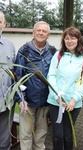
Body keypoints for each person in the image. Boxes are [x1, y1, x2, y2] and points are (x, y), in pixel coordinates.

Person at [47, 27, 83, 150]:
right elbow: (51, 76)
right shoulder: (58, 55)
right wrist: (56, 96)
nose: (69, 41)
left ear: (78, 40)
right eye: (67, 38)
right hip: (56, 102)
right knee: (57, 135)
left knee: (68, 134)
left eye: (73, 38)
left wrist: (74, 99)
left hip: (73, 104)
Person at [14, 21, 57, 150]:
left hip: (45, 101)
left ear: (48, 35)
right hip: (27, 101)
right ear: (33, 32)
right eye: (38, 30)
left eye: (44, 31)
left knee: (41, 133)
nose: (41, 33)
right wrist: (21, 98)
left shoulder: (53, 51)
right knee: (26, 133)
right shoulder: (24, 51)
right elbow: (18, 76)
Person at [0, 11, 16, 150]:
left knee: (4, 142)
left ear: (4, 24)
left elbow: (13, 72)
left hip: (6, 103)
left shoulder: (10, 44)